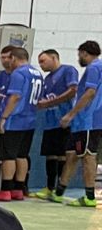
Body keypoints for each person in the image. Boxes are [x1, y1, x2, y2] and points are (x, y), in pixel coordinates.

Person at [54, 40, 101, 207]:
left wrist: (71, 114)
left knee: (88, 156)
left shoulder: (94, 68)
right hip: (82, 122)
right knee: (72, 155)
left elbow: (90, 92)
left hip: (89, 120)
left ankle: (89, 197)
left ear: (84, 53)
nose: (78, 58)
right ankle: (59, 192)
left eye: (79, 54)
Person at [0, 45, 38, 202]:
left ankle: (5, 190)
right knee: (22, 155)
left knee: (8, 156)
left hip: (15, 120)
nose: (7, 62)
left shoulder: (18, 73)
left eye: (9, 59)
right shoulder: (37, 73)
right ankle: (18, 189)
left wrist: (4, 117)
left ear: (14, 58)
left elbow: (15, 97)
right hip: (30, 120)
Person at [30, 49, 79, 201]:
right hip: (50, 122)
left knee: (62, 154)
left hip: (64, 120)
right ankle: (49, 187)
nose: (41, 65)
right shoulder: (47, 79)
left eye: (43, 61)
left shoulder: (68, 71)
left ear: (54, 58)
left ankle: (60, 187)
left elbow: (73, 90)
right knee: (50, 154)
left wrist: (50, 103)